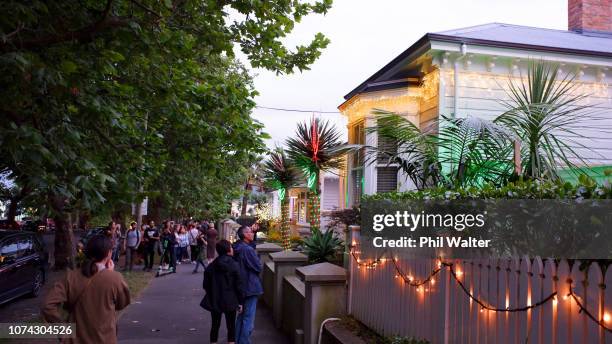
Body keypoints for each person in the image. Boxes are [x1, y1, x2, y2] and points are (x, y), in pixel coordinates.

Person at [42, 235, 130, 344]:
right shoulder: (115, 278)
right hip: (105, 339)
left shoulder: (71, 277)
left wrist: (63, 331)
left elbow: (47, 305)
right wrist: (109, 275)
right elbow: (122, 303)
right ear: (109, 253)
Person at [202, 240, 244, 344]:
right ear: (228, 250)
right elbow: (239, 285)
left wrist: (213, 292)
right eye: (231, 247)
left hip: (215, 298)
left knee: (215, 325)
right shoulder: (234, 265)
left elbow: (205, 285)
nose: (232, 249)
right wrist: (240, 302)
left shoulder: (211, 266)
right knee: (231, 326)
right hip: (230, 299)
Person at [233, 226, 262, 344]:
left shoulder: (238, 247)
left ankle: (237, 340)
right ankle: (244, 341)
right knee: (248, 319)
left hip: (242, 286)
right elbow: (258, 266)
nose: (253, 233)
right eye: (250, 231)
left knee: (241, 317)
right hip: (250, 286)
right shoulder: (247, 250)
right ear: (245, 234)